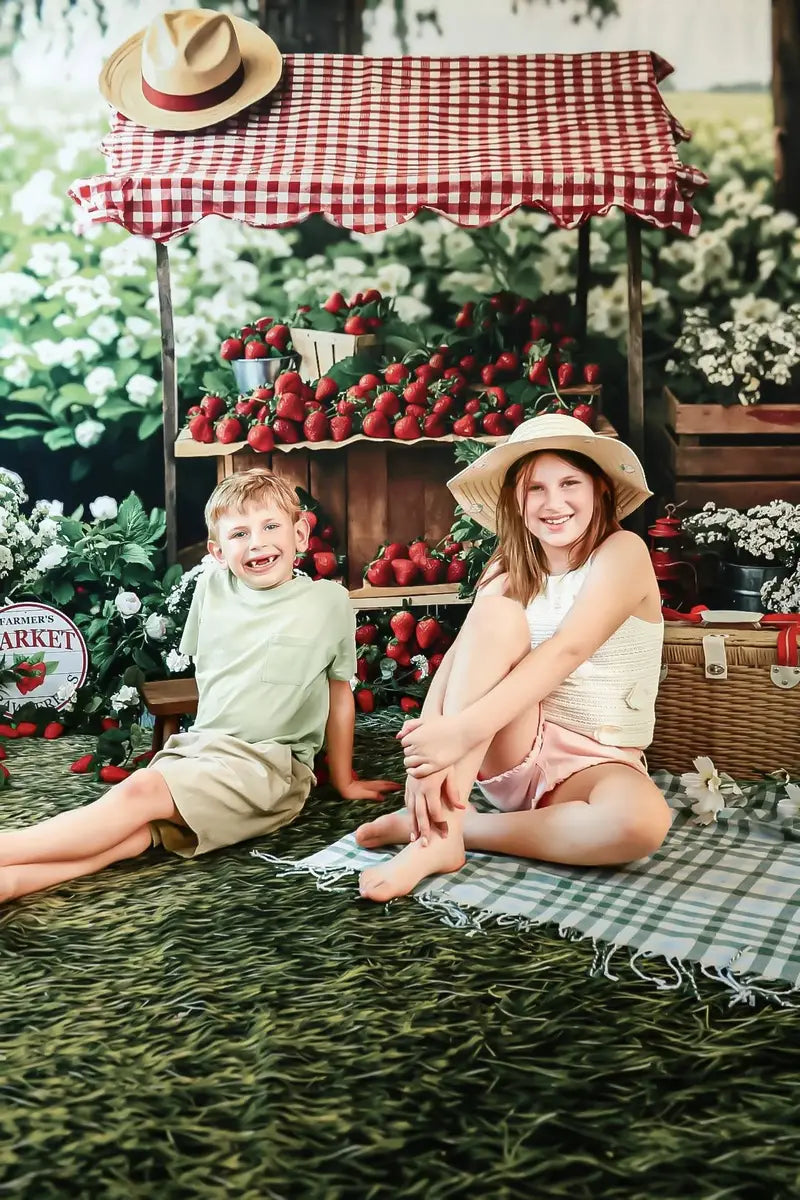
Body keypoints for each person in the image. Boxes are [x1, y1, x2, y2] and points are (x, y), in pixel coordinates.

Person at [0, 469, 398, 902]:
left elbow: (339, 692)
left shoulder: (328, 602)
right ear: (218, 551)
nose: (258, 542)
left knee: (140, 790)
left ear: (300, 533)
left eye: (271, 526)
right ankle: (16, 881)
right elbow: (211, 672)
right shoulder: (211, 586)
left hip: (270, 769)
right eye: (240, 533)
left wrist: (344, 780)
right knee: (142, 830)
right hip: (202, 748)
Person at [355, 413, 672, 902]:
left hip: (596, 762)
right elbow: (460, 659)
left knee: (643, 824)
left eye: (570, 483)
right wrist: (427, 754)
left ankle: (461, 829)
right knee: (496, 618)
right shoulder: (509, 564)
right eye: (534, 489)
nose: (554, 502)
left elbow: (569, 648)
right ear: (516, 502)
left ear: (600, 491)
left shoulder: (622, 552)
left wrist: (459, 733)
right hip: (512, 745)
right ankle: (436, 836)